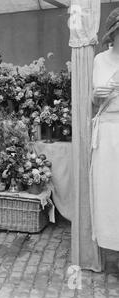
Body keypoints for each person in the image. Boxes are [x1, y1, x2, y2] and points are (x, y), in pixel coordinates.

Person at [91, 7, 119, 252]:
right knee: (110, 190)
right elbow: (92, 102)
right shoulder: (100, 60)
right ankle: (112, 243)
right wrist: (96, 94)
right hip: (108, 131)